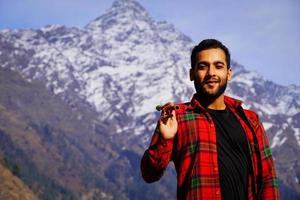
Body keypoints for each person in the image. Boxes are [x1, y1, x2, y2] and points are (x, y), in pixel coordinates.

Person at [140, 39, 280, 200]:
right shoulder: (176, 116)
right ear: (192, 74)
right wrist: (164, 139)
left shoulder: (250, 119)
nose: (211, 73)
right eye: (203, 66)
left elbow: (268, 178)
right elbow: (149, 174)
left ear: (228, 73)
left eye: (218, 66)